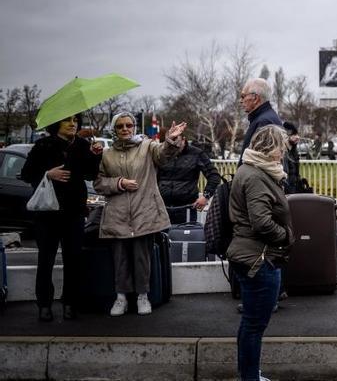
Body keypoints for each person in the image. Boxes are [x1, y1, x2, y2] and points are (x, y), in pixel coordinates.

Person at [93, 113, 186, 316]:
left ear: (135, 127)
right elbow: (99, 182)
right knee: (120, 259)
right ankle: (121, 298)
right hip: (117, 214)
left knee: (142, 258)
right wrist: (119, 183)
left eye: (129, 125)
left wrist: (170, 139)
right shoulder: (106, 154)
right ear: (114, 130)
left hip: (144, 212)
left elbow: (163, 155)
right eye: (120, 126)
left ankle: (143, 296)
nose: (125, 129)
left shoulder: (147, 146)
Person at [226, 125, 293, 381]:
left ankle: (249, 374)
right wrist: (285, 236)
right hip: (259, 258)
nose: (282, 154)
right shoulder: (255, 176)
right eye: (281, 148)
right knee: (255, 325)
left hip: (250, 255)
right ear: (270, 148)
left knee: (250, 323)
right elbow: (261, 222)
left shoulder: (251, 170)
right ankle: (250, 378)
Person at [21, 114, 103, 321]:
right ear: (57, 123)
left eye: (75, 120)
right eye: (67, 120)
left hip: (74, 212)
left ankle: (70, 303)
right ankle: (44, 305)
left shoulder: (83, 145)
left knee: (74, 260)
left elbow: (90, 175)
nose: (72, 124)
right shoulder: (43, 145)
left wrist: (95, 156)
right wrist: (48, 174)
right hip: (47, 214)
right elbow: (26, 173)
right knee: (45, 260)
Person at [157, 134, 221, 224]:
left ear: (184, 139)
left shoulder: (197, 153)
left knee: (185, 238)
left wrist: (206, 196)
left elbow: (214, 176)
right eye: (171, 141)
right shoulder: (161, 153)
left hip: (186, 208)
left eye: (177, 141)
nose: (174, 145)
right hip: (162, 208)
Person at [238, 78, 282, 165]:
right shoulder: (266, 118)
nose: (241, 101)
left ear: (255, 98)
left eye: (243, 96)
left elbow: (256, 163)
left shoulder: (264, 122)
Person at [281, 121, 304, 194]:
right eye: (293, 134)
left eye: (297, 134)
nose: (297, 137)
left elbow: (295, 171)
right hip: (287, 190)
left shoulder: (294, 151)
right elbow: (284, 173)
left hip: (293, 188)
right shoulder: (283, 152)